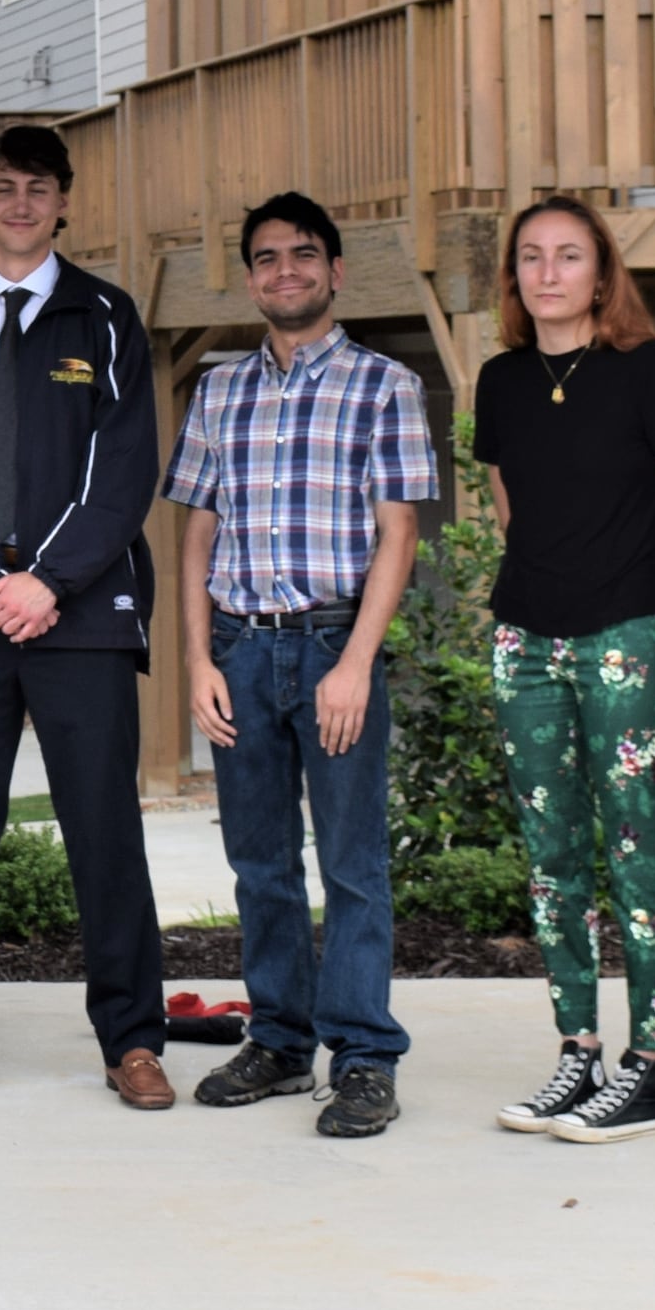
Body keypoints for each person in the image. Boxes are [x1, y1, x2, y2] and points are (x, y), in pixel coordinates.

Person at [0, 123, 173, 1113]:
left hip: (82, 616)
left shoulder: (105, 319)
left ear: (62, 201)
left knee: (105, 832)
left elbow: (124, 466)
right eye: (2, 187)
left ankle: (133, 1042)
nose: (18, 202)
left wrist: (47, 579)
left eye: (37, 188)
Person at [167, 193, 436, 1141]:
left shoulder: (384, 386)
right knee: (260, 862)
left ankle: (363, 1056)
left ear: (334, 272)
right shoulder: (219, 388)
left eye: (304, 256)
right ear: (250, 277)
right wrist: (198, 658)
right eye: (268, 258)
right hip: (240, 649)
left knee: (354, 863)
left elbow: (398, 535)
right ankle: (280, 1040)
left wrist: (357, 660)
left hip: (332, 644)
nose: (286, 271)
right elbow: (197, 528)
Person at [469, 196, 655, 1147]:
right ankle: (578, 1049)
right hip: (525, 641)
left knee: (634, 848)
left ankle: (648, 1068)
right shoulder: (500, 380)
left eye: (569, 256)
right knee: (552, 857)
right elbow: (510, 510)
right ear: (516, 278)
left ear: (602, 273)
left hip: (627, 635)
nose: (548, 272)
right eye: (531, 257)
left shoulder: (651, 371)